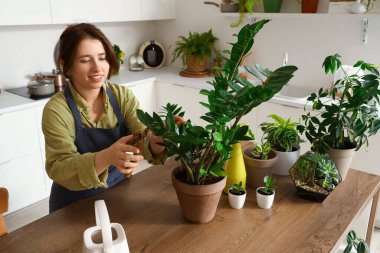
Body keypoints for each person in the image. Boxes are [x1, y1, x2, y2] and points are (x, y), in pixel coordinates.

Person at [42, 23, 171, 213]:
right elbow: (59, 166)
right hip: (72, 203)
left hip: (118, 191)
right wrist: (107, 156)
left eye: (102, 58)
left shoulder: (122, 96)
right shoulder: (56, 110)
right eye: (85, 60)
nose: (97, 67)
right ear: (66, 66)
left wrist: (158, 141)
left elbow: (142, 138)